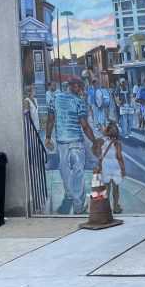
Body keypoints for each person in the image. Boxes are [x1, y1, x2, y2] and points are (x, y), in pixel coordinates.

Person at [45, 78, 100, 215]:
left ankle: (69, 193)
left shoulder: (55, 97)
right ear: (75, 87)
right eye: (81, 88)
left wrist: (47, 137)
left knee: (63, 167)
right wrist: (94, 141)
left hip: (62, 141)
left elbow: (50, 119)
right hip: (76, 141)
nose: (82, 92)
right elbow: (85, 125)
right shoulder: (78, 101)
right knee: (78, 171)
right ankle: (78, 205)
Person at [98, 123, 126, 214]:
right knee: (115, 188)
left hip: (106, 167)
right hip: (115, 167)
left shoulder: (102, 141)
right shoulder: (117, 143)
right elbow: (119, 157)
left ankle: (107, 208)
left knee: (106, 188)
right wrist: (123, 168)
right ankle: (115, 207)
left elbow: (98, 153)